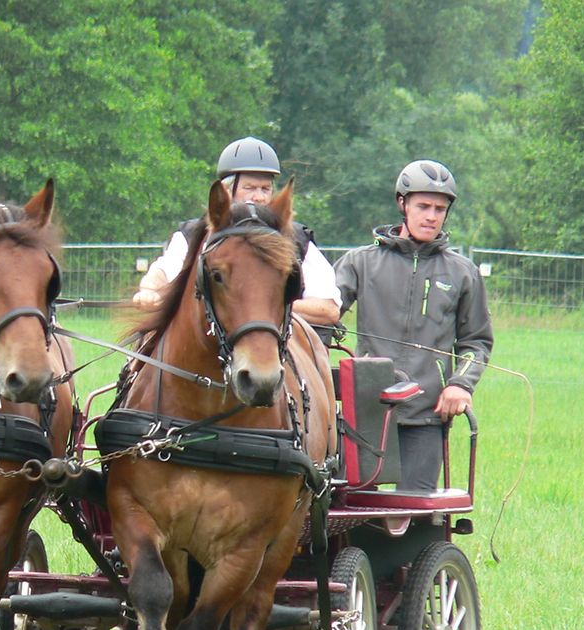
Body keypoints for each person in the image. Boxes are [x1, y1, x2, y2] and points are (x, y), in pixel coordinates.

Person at [334, 159, 493, 491]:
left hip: (426, 415)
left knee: (413, 519)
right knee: (351, 512)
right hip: (365, 412)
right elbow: (324, 317)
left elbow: (476, 342)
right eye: (423, 206)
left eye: (440, 208)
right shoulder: (360, 263)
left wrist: (460, 384)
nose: (431, 216)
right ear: (402, 204)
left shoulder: (463, 273)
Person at [133, 137, 341, 326]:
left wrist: (262, 310)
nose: (259, 197)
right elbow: (161, 273)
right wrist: (149, 292)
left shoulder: (297, 240)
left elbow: (328, 309)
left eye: (265, 189)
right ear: (227, 190)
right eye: (250, 188)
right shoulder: (193, 235)